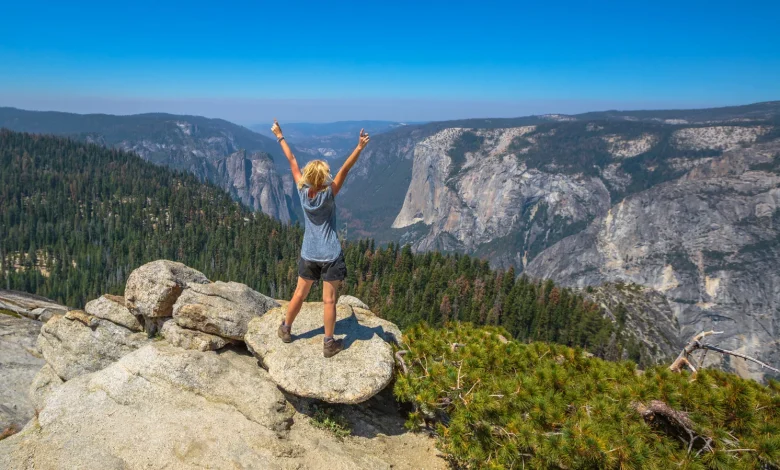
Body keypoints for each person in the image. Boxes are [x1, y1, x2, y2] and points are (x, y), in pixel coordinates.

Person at [271, 119, 370, 357]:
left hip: (309, 254)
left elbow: (292, 160)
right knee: (329, 301)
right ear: (324, 177)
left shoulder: (302, 192)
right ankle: (328, 343)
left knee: (299, 294)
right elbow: (345, 169)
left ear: (307, 176)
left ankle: (286, 329)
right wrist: (359, 148)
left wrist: (279, 135)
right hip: (330, 256)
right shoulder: (329, 194)